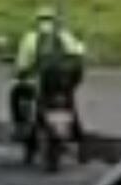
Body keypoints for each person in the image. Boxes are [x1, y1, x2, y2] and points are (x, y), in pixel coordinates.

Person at [9, 8, 89, 138]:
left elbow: (22, 63)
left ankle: (21, 126)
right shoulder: (65, 35)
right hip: (66, 84)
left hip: (42, 84)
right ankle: (76, 131)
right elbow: (79, 53)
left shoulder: (31, 38)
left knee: (17, 92)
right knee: (69, 101)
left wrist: (19, 73)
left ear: (37, 21)